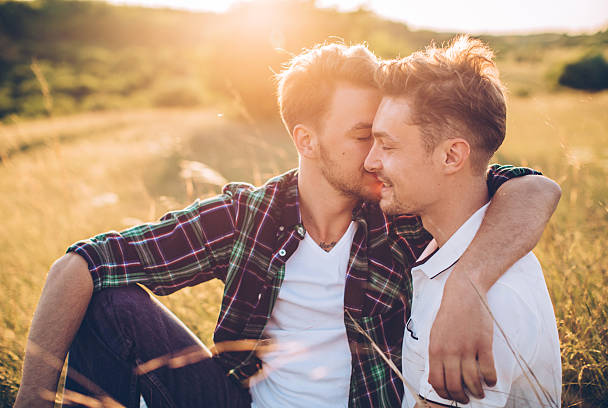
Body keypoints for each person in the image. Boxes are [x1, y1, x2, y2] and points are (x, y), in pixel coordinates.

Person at [14, 42, 561, 408]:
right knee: (111, 303)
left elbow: (533, 188)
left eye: (385, 139)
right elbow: (81, 264)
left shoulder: (404, 208)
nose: (376, 157)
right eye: (362, 135)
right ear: (306, 140)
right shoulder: (247, 217)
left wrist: (469, 286)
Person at [366, 36, 562, 407]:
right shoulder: (441, 250)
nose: (370, 161)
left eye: (387, 145)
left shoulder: (495, 303)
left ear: (452, 156)